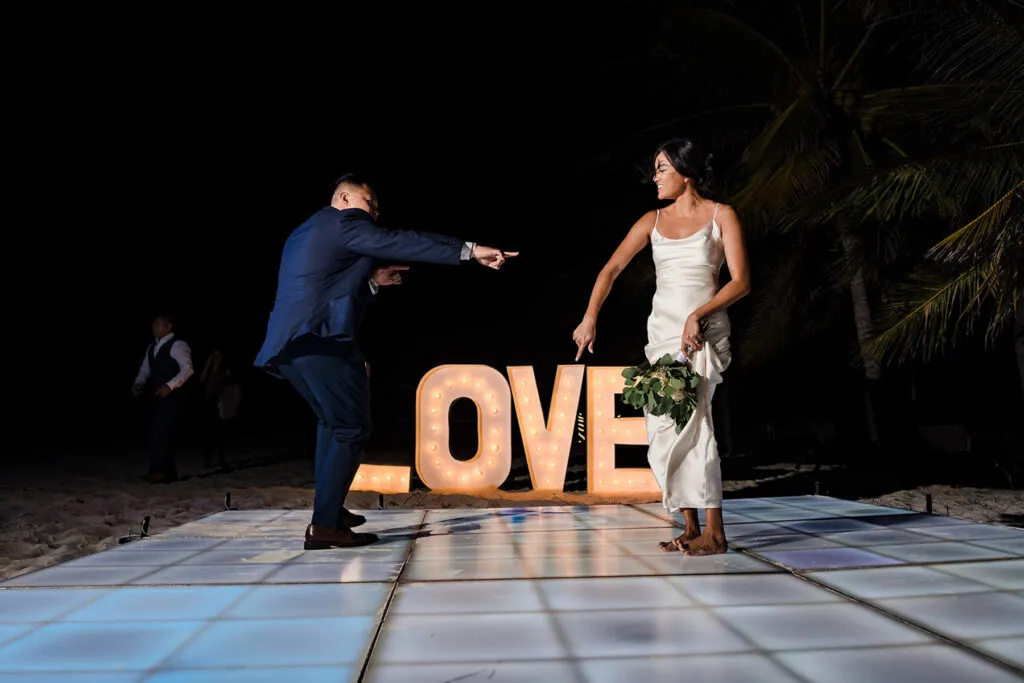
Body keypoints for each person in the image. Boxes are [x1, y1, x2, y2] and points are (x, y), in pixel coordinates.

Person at [255, 173, 518, 549]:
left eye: (377, 207)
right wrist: (470, 250)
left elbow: (321, 284)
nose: (374, 212)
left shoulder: (306, 230)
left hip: (288, 345)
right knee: (351, 428)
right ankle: (324, 525)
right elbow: (402, 241)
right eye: (369, 202)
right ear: (344, 198)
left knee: (333, 423)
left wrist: (374, 282)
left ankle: (329, 507)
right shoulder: (345, 221)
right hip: (320, 340)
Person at [573, 139, 751, 556]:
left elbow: (741, 281)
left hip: (702, 331)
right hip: (663, 334)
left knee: (697, 424)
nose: (654, 177)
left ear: (686, 174)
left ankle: (716, 532)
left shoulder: (721, 215)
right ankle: (689, 527)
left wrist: (699, 314)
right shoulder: (651, 221)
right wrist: (589, 317)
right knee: (663, 430)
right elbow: (612, 268)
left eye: (662, 169)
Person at [132, 314, 194, 483]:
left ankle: (162, 471)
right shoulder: (152, 347)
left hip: (173, 396)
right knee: (155, 432)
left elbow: (187, 369)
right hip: (155, 395)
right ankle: (162, 470)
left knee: (163, 431)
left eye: (157, 324)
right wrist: (139, 383)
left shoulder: (178, 345)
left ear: (168, 327)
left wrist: (170, 385)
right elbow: (145, 369)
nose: (153, 327)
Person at [200, 350, 240, 468]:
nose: (216, 358)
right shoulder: (208, 370)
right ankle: (208, 460)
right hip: (210, 401)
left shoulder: (225, 370)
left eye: (218, 356)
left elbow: (233, 385)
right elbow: (202, 379)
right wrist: (208, 363)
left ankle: (221, 459)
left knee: (221, 432)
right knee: (209, 433)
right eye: (214, 356)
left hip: (222, 401)